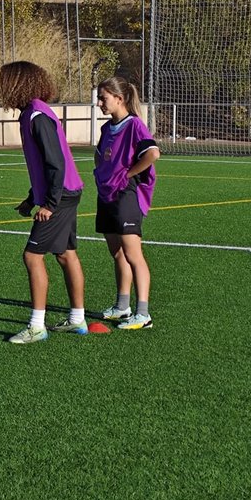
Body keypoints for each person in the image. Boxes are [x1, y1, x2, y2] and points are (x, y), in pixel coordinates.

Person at [0, 61, 87, 343]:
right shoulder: (33, 112)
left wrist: (49, 203)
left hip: (60, 196)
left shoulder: (37, 115)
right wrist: (31, 198)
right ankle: (77, 319)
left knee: (32, 256)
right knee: (66, 254)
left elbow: (55, 163)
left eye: (5, 83)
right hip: (66, 192)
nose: (2, 89)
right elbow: (43, 166)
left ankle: (37, 326)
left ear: (18, 84)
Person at [93, 75, 160, 330]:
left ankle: (143, 314)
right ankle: (122, 306)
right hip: (106, 194)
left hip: (126, 194)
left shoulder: (134, 125)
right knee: (117, 252)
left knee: (133, 253)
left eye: (103, 98)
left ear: (119, 98)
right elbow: (100, 156)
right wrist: (102, 174)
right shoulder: (106, 128)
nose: (99, 103)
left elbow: (153, 153)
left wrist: (128, 174)